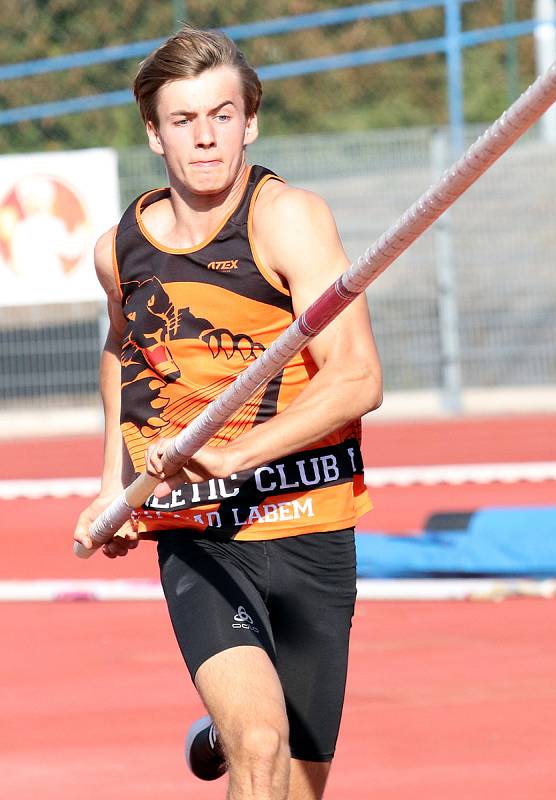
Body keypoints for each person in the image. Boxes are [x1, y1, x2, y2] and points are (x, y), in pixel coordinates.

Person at [74, 26, 382, 800]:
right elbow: (123, 349)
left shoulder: (288, 218)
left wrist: (236, 453)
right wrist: (113, 485)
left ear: (251, 122)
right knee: (261, 745)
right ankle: (235, 725)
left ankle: (223, 727)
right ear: (153, 133)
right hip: (200, 534)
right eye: (183, 121)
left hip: (309, 522)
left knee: (294, 784)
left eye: (222, 115)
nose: (205, 137)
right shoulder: (121, 249)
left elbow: (356, 379)